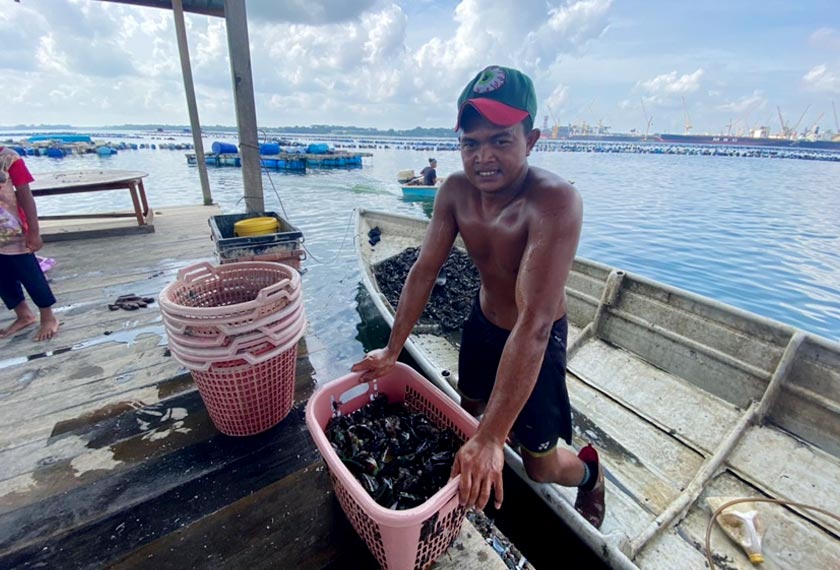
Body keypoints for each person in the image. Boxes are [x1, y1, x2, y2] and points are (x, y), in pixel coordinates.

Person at [352, 65, 605, 528]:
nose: (482, 156)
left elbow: (534, 324)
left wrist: (492, 438)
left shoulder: (554, 202)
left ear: (531, 140)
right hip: (483, 324)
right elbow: (424, 271)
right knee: (468, 407)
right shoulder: (454, 191)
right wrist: (391, 350)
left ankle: (589, 472)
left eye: (500, 140)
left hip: (536, 339)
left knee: (540, 466)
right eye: (470, 143)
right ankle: (483, 443)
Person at [0, 146, 60, 341]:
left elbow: (25, 195)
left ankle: (48, 317)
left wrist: (33, 231)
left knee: (30, 274)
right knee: (2, 278)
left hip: (13, 231)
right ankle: (23, 315)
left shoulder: (9, 158)